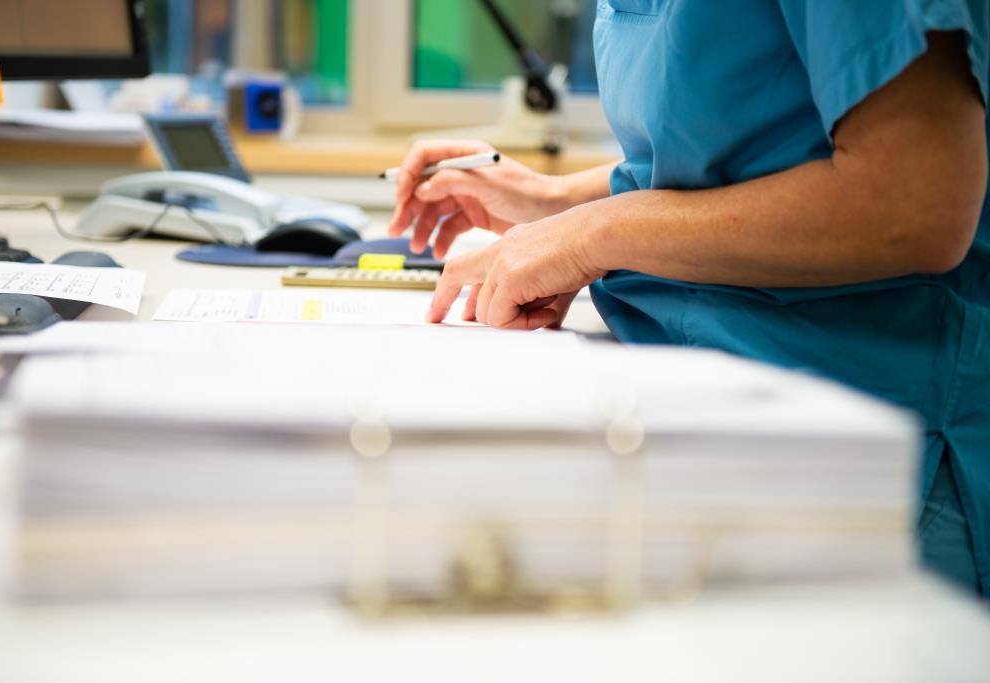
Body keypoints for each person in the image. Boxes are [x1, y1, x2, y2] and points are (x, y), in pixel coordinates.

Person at [388, 2, 989, 597]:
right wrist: (556, 201)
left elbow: (913, 206)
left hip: (863, 452)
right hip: (696, 417)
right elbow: (740, 152)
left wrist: (592, 235)